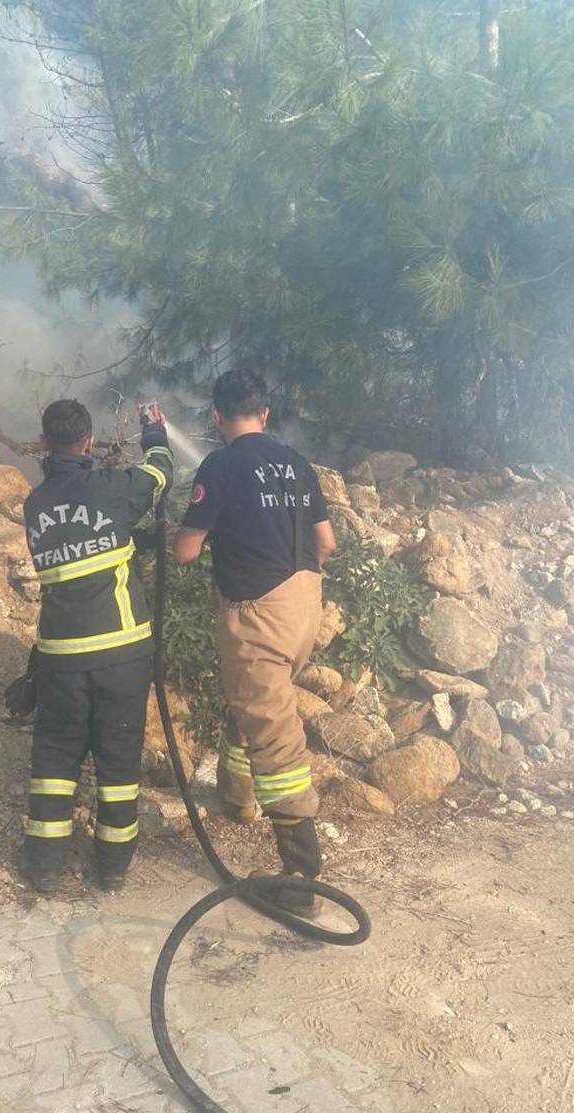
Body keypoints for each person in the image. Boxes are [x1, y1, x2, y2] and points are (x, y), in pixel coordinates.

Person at [173, 369, 336, 914]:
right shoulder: (296, 463)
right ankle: (238, 799)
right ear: (264, 414)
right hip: (305, 608)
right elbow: (327, 542)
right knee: (250, 704)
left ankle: (302, 878)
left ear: (217, 417)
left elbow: (186, 552)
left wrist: (182, 532)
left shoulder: (220, 465)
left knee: (275, 738)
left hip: (258, 615)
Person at [17, 398, 172, 894]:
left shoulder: (34, 505)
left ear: (44, 442)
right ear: (89, 442)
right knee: (119, 760)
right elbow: (160, 473)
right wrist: (154, 430)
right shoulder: (113, 488)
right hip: (122, 654)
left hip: (62, 658)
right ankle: (112, 867)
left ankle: (45, 865)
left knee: (55, 758)